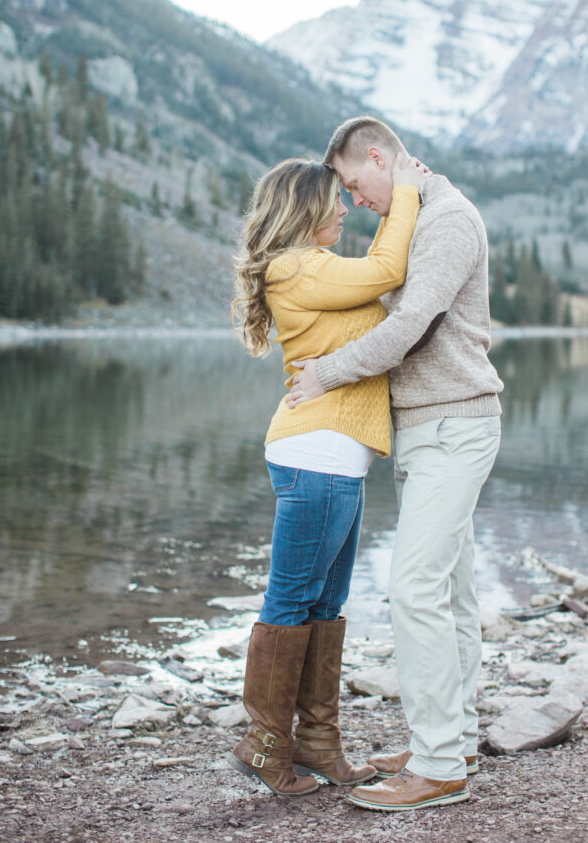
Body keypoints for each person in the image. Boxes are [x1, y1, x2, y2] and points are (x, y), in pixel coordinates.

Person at [288, 116, 504, 812]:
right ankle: (456, 740)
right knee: (451, 592)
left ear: (378, 157)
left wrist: (327, 375)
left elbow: (409, 326)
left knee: (412, 588)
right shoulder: (418, 212)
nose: (353, 202)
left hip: (453, 426)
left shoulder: (445, 221)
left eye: (354, 184)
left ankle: (439, 766)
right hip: (431, 428)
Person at [228, 153, 426, 797]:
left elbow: (375, 283)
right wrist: (406, 192)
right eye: (334, 200)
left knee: (324, 605)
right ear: (304, 209)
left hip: (336, 458)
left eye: (348, 199)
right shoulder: (295, 266)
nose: (345, 208)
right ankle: (264, 744)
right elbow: (387, 268)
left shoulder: (318, 270)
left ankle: (315, 742)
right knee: (290, 603)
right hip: (317, 455)